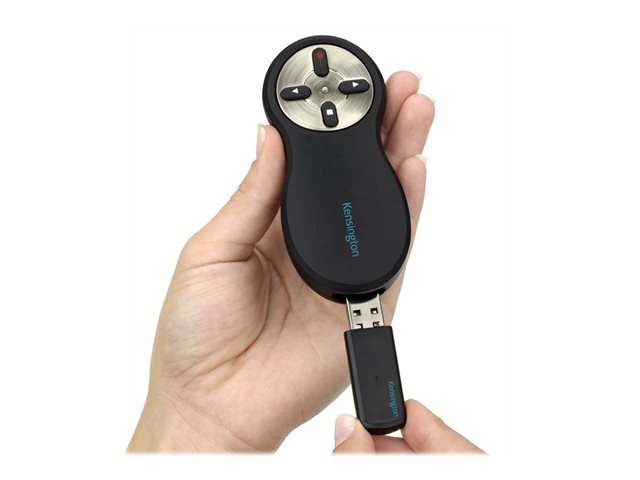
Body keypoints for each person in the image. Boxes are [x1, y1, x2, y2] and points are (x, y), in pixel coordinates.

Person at [128, 71, 482, 453]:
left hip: (359, 250)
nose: (326, 90)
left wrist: (191, 417)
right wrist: (193, 413)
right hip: (342, 253)